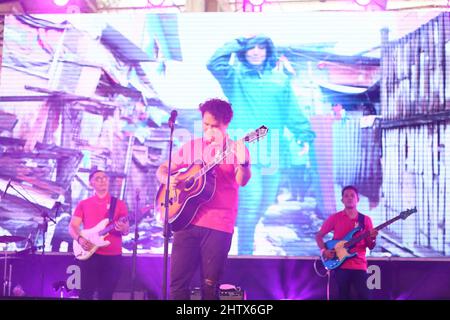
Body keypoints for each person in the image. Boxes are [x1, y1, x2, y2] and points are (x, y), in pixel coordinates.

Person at [207, 34, 316, 255]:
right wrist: (238, 41)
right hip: (244, 151)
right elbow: (213, 62)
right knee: (251, 202)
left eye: (260, 47)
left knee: (264, 203)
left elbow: (291, 111)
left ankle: (240, 236)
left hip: (273, 150)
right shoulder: (234, 77)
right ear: (244, 52)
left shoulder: (280, 81)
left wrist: (304, 135)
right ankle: (244, 253)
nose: (256, 52)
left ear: (268, 51)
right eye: (251, 48)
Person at [156, 98, 251, 300]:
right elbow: (163, 169)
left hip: (219, 224)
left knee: (209, 287)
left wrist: (244, 164)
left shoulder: (235, 149)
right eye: (205, 124)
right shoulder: (192, 146)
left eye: (214, 126)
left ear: (226, 125)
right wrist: (169, 179)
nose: (208, 129)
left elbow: (242, 181)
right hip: (186, 222)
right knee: (177, 285)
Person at [69, 169, 129, 300]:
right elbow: (73, 226)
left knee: (106, 295)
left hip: (113, 256)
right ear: (91, 183)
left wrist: (124, 228)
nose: (102, 180)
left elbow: (126, 230)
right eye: (98, 178)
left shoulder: (119, 204)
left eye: (105, 178)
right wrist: (79, 239)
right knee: (85, 294)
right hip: (89, 254)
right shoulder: (84, 204)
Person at [315, 185, 378, 300]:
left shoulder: (365, 220)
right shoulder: (335, 218)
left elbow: (370, 245)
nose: (349, 198)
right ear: (342, 200)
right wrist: (324, 250)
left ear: (357, 199)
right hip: (340, 265)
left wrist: (373, 238)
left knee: (365, 297)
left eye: (352, 195)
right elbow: (319, 236)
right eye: (346, 196)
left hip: (360, 265)